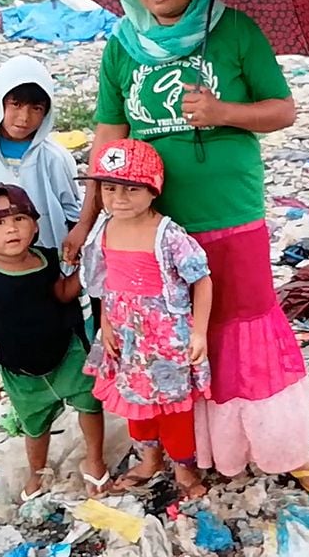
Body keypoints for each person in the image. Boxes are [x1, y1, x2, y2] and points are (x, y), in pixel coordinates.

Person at [63, 0, 309, 493]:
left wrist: (222, 113)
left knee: (241, 321)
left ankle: (278, 448)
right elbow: (108, 140)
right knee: (169, 333)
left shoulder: (234, 30)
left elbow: (282, 110)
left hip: (230, 210)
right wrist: (88, 221)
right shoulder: (122, 46)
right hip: (152, 222)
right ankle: (198, 449)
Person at [77, 139, 213, 498]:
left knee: (173, 408)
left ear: (153, 190)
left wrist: (199, 333)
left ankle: (184, 469)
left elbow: (202, 280)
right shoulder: (104, 230)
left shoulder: (168, 235)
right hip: (124, 337)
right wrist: (106, 325)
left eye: (131, 189)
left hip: (165, 338)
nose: (119, 198)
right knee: (135, 404)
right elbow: (105, 284)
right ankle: (149, 459)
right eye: (110, 188)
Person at [0, 183, 110, 499]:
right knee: (35, 426)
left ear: (36, 225)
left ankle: (95, 460)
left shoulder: (47, 259)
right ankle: (37, 473)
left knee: (90, 406)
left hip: (68, 355)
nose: (11, 229)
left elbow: (62, 294)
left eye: (20, 219)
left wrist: (85, 271)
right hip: (21, 371)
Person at [0, 55, 81, 262]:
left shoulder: (54, 157)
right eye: (16, 105)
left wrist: (68, 261)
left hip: (49, 262)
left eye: (36, 109)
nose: (24, 117)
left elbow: (73, 212)